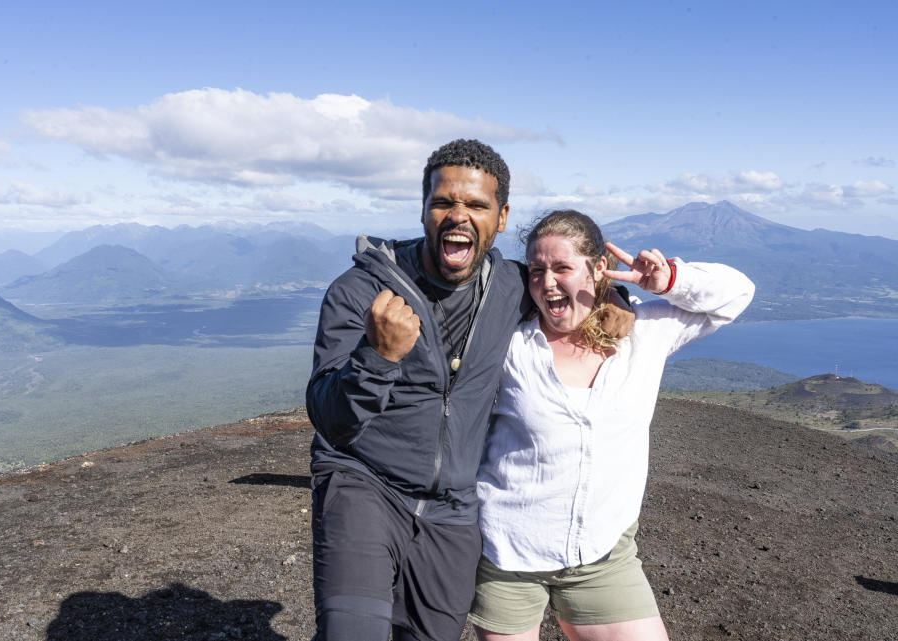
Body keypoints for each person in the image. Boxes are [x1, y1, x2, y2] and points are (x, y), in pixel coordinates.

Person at [306, 141, 633, 641]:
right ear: (423, 211)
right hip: (364, 483)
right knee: (352, 631)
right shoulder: (360, 292)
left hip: (453, 507)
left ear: (500, 218)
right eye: (443, 203)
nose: (458, 216)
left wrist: (616, 299)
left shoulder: (511, 286)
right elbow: (331, 420)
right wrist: (377, 357)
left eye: (476, 205)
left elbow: (564, 286)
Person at [469, 210, 755, 641]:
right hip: (509, 553)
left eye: (562, 268)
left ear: (598, 268)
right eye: (536, 271)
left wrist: (671, 281)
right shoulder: (511, 344)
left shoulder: (646, 331)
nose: (547, 283)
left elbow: (737, 294)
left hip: (602, 553)